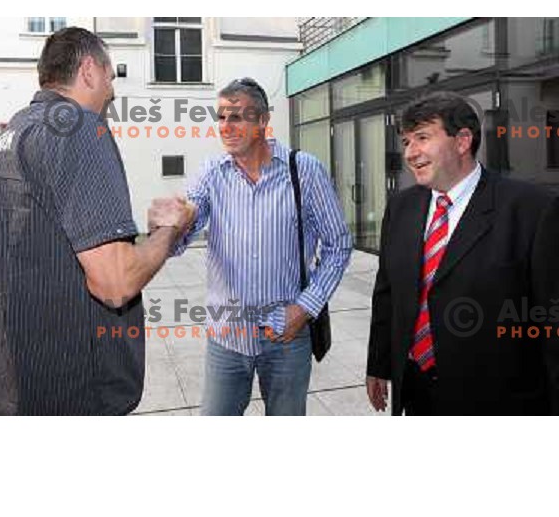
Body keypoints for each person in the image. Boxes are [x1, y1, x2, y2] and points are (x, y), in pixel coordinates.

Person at [0, 27, 195, 415]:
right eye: (110, 77)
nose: (112, 90)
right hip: (65, 394)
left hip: (4, 388)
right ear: (89, 70)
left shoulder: (15, 131)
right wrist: (169, 231)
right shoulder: (77, 128)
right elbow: (115, 282)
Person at [366, 91, 559, 416]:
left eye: (422, 138)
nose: (411, 153)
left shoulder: (532, 209)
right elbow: (387, 293)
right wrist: (380, 364)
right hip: (416, 389)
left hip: (497, 400)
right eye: (406, 142)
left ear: (462, 141)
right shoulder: (401, 207)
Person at [169, 77, 353, 416]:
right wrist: (170, 225)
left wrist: (305, 308)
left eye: (237, 116)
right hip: (227, 337)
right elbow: (184, 229)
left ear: (263, 120)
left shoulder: (305, 171)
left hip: (287, 338)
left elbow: (339, 244)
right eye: (221, 117)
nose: (226, 126)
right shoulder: (211, 173)